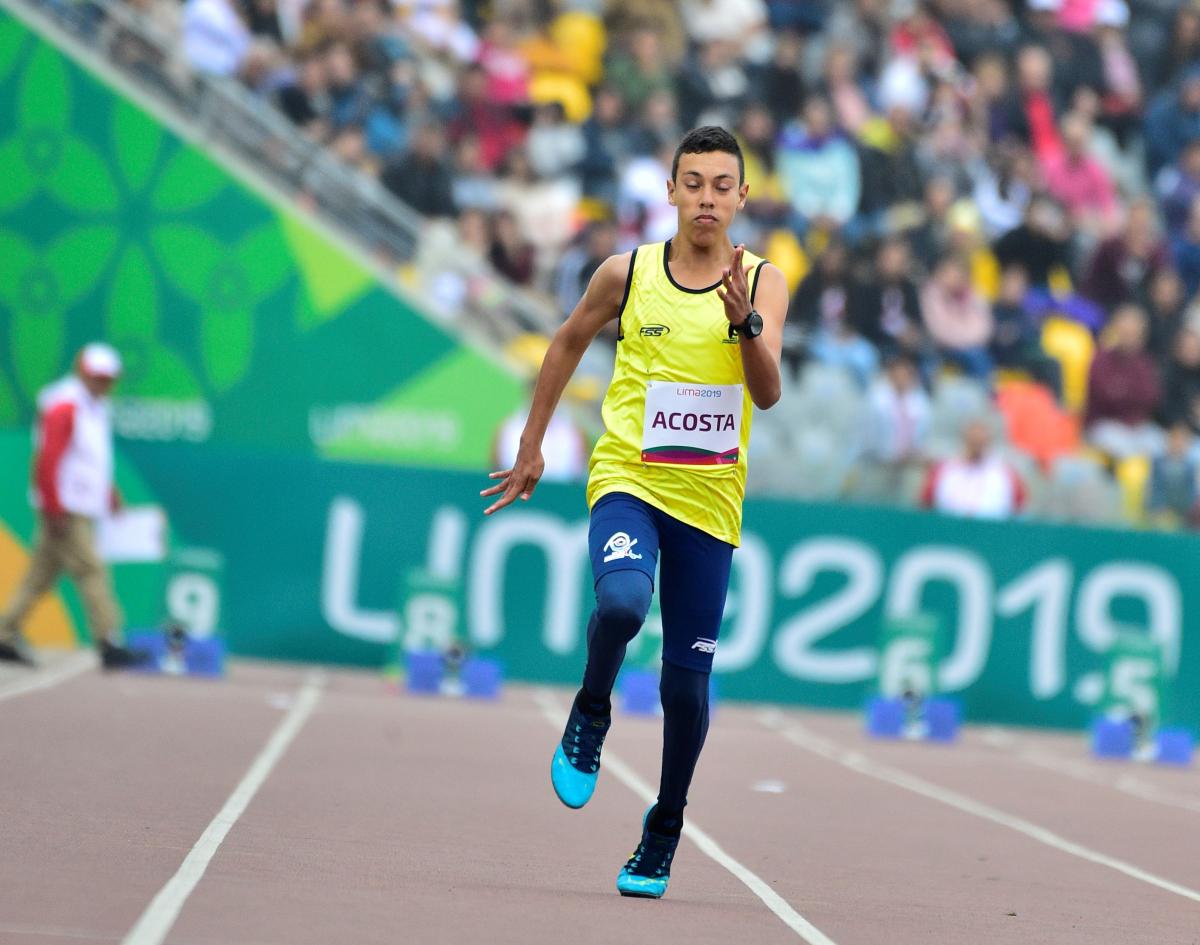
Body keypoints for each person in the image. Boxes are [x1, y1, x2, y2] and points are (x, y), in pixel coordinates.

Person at [480, 127, 787, 899]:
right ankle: (591, 708)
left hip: (710, 506)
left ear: (741, 197)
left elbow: (769, 390)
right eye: (694, 182)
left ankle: (665, 825)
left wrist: (746, 322)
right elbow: (565, 342)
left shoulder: (763, 279)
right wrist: (533, 444)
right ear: (673, 192)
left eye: (723, 184)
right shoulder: (629, 273)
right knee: (620, 601)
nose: (708, 197)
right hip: (630, 479)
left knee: (686, 690)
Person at [0, 345, 149, 670]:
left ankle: (5, 632)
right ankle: (109, 641)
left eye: (108, 379)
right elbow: (48, 458)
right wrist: (54, 505)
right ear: (82, 371)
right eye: (97, 377)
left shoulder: (92, 406)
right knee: (92, 570)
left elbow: (86, 460)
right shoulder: (66, 405)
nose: (103, 384)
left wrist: (108, 492)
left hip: (73, 504)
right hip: (66, 509)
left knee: (39, 576)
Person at [921, 417, 1027, 520]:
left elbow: (1019, 509)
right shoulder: (943, 470)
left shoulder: (1006, 474)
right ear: (965, 437)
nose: (977, 441)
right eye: (973, 437)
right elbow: (925, 505)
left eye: (981, 438)